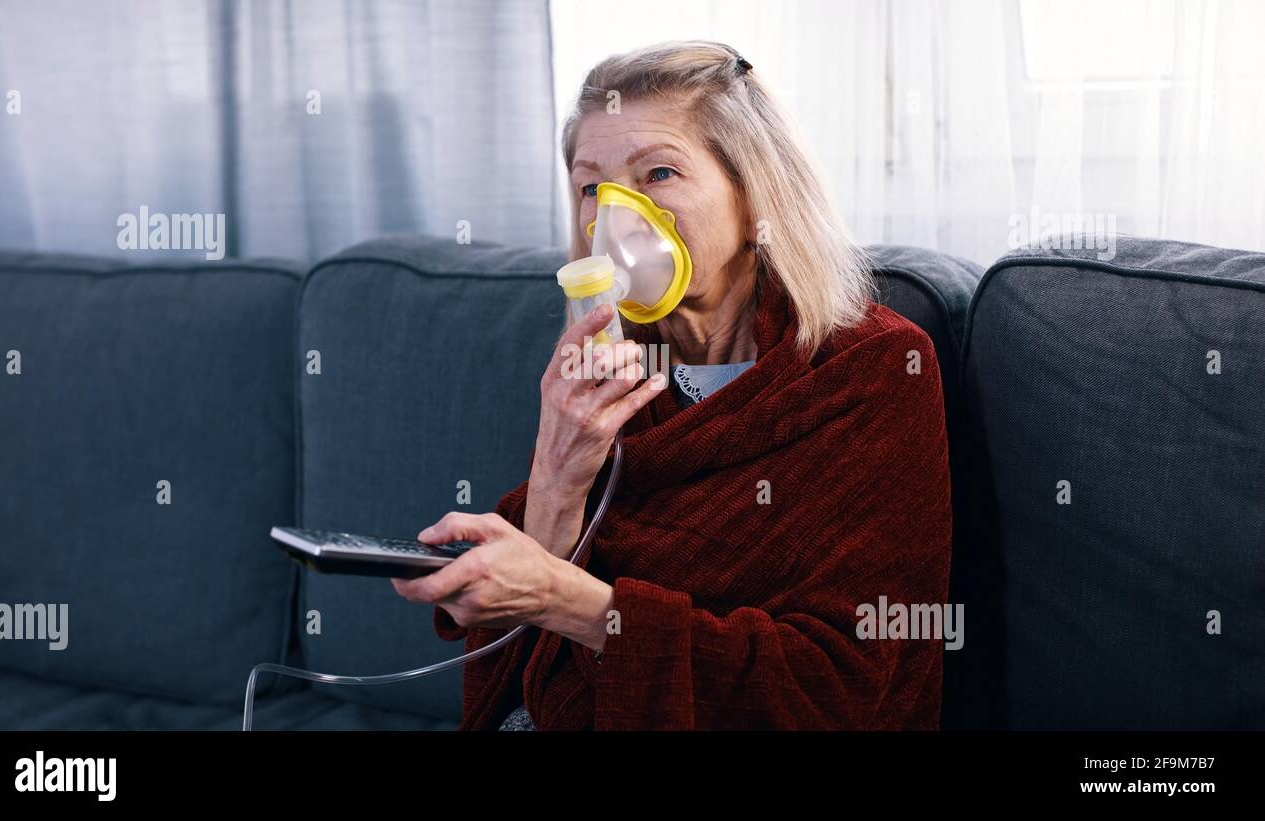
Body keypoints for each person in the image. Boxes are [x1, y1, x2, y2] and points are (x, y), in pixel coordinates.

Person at [391, 40, 952, 730]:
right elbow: (514, 674)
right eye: (593, 187)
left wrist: (564, 595)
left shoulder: (870, 372)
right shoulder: (609, 379)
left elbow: (841, 689)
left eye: (657, 172)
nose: (616, 217)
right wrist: (556, 480)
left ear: (756, 202)